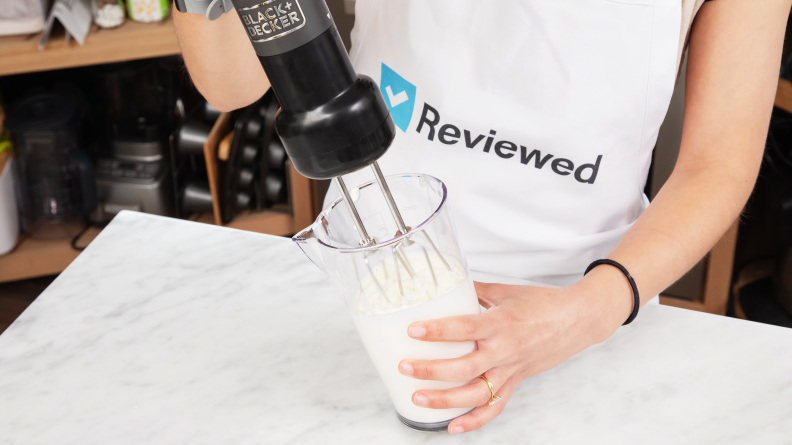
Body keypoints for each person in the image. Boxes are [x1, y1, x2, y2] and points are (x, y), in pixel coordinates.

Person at [174, 0, 792, 434]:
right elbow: (228, 84)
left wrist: (587, 312)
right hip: (365, 305)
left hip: (589, 321)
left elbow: (719, 163)